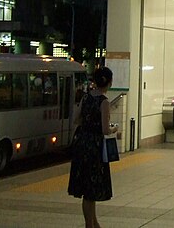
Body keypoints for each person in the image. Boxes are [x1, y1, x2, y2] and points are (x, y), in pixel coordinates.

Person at [68, 67, 119, 228]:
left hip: (82, 143)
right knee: (91, 189)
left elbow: (76, 119)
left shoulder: (86, 97)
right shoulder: (104, 102)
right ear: (109, 82)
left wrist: (88, 124)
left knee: (86, 189)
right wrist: (114, 128)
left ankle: (93, 223)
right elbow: (105, 129)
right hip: (95, 147)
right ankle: (89, 225)